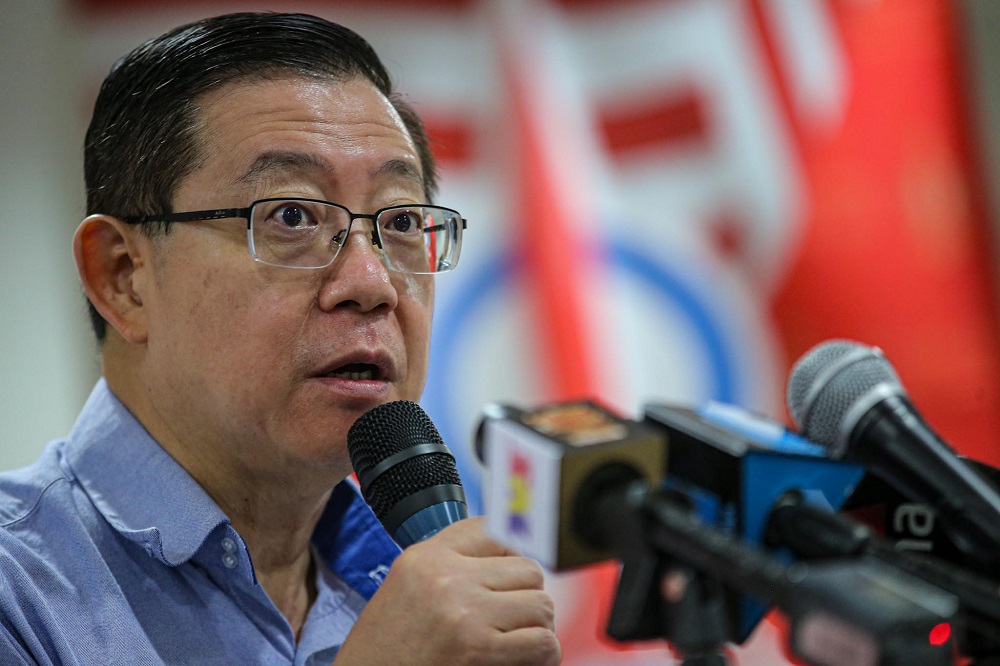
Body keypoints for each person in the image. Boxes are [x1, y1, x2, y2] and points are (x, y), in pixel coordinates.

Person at [0, 12, 560, 665]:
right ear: (124, 277)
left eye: (402, 219)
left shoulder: (408, 581)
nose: (371, 283)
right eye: (291, 216)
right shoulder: (20, 591)